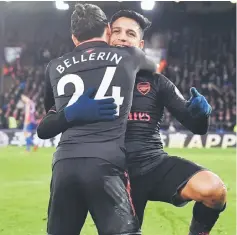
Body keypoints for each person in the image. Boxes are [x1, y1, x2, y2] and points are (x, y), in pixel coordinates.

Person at [38, 10, 227, 235]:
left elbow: (197, 127)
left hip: (152, 163)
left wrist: (201, 113)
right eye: (116, 31)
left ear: (140, 43)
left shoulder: (157, 82)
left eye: (130, 33)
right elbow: (49, 121)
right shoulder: (84, 75)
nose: (123, 37)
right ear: (106, 36)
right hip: (111, 172)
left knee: (214, 190)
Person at [43, 4, 157, 235]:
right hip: (105, 163)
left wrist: (72, 112)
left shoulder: (54, 67)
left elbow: (47, 124)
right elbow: (152, 67)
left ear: (74, 38)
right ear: (107, 30)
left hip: (64, 164)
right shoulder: (130, 56)